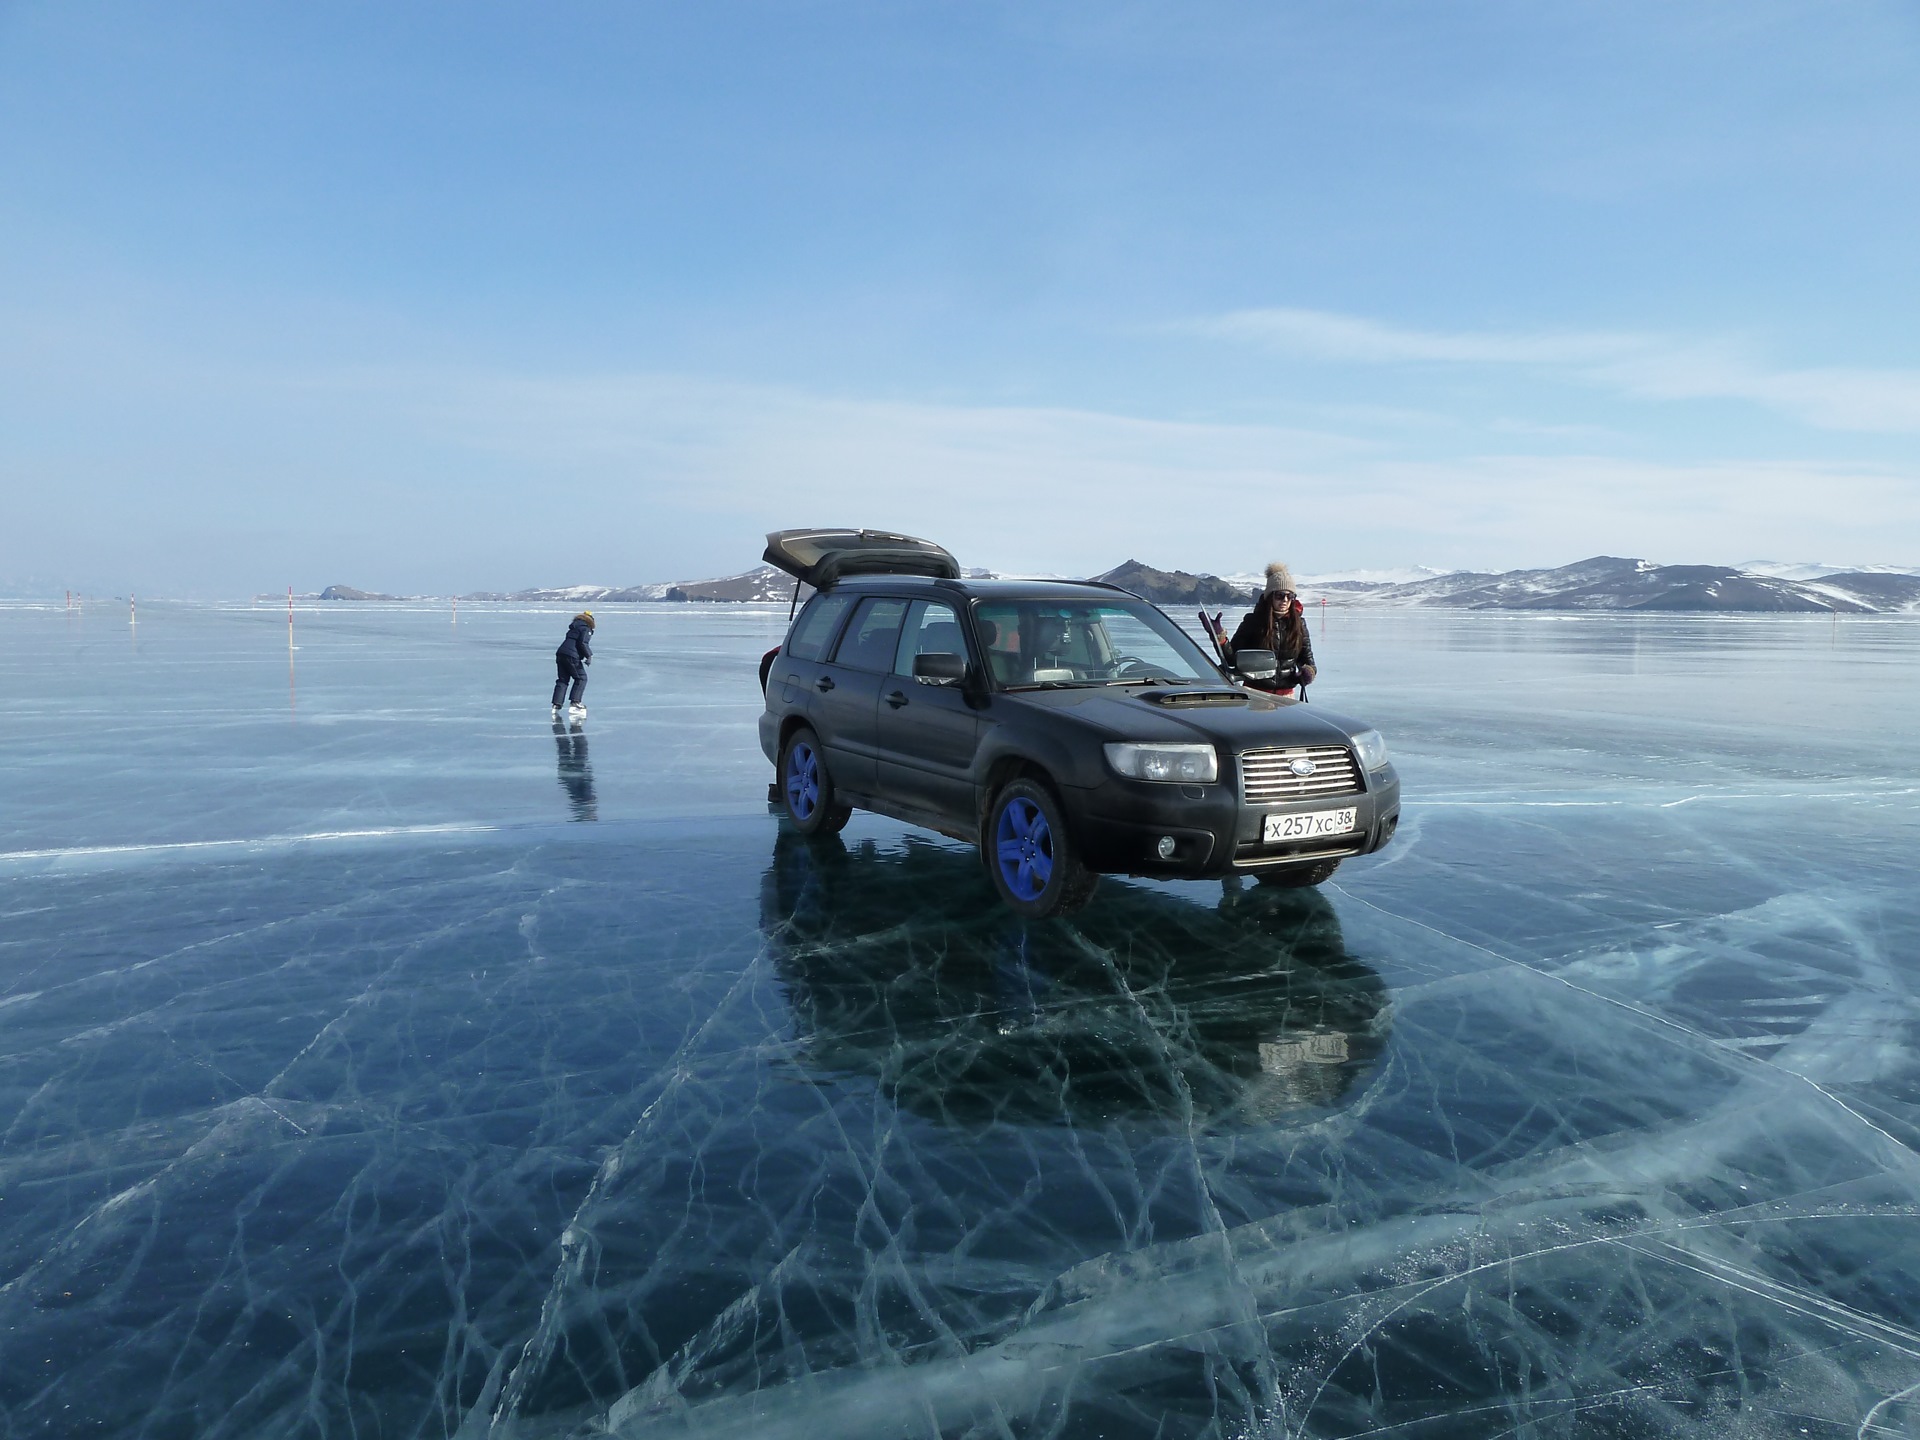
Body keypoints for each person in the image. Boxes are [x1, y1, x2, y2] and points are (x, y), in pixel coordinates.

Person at [1228, 563, 1316, 695]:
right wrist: (1219, 637)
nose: (1285, 600)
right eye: (1280, 595)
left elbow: (1307, 659)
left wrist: (1308, 672)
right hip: (1256, 694)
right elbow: (1232, 658)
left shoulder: (1299, 624)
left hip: (1286, 696)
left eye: (1290, 596)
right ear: (1270, 597)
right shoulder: (1254, 621)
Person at [552, 611, 594, 718]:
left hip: (561, 653)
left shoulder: (574, 627)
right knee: (581, 678)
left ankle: (556, 704)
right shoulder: (585, 628)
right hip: (571, 656)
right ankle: (575, 703)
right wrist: (589, 656)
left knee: (563, 679)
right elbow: (582, 643)